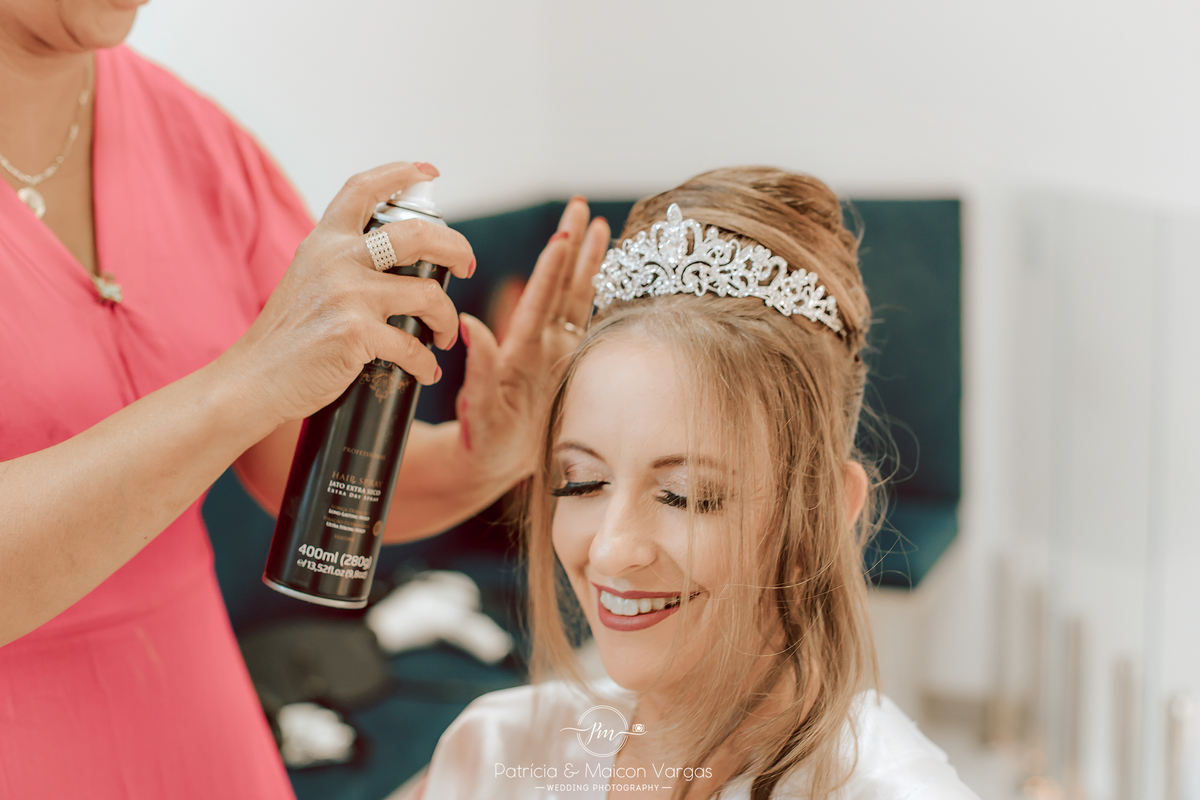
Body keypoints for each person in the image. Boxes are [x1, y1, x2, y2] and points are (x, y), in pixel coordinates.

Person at [0, 2, 609, 798]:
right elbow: (261, 384)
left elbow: (312, 481)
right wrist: (248, 381)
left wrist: (485, 453)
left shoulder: (196, 139)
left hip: (204, 727)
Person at [407, 168, 981, 799]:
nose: (610, 551)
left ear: (825, 509)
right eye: (582, 482)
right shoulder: (494, 751)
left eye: (687, 495)